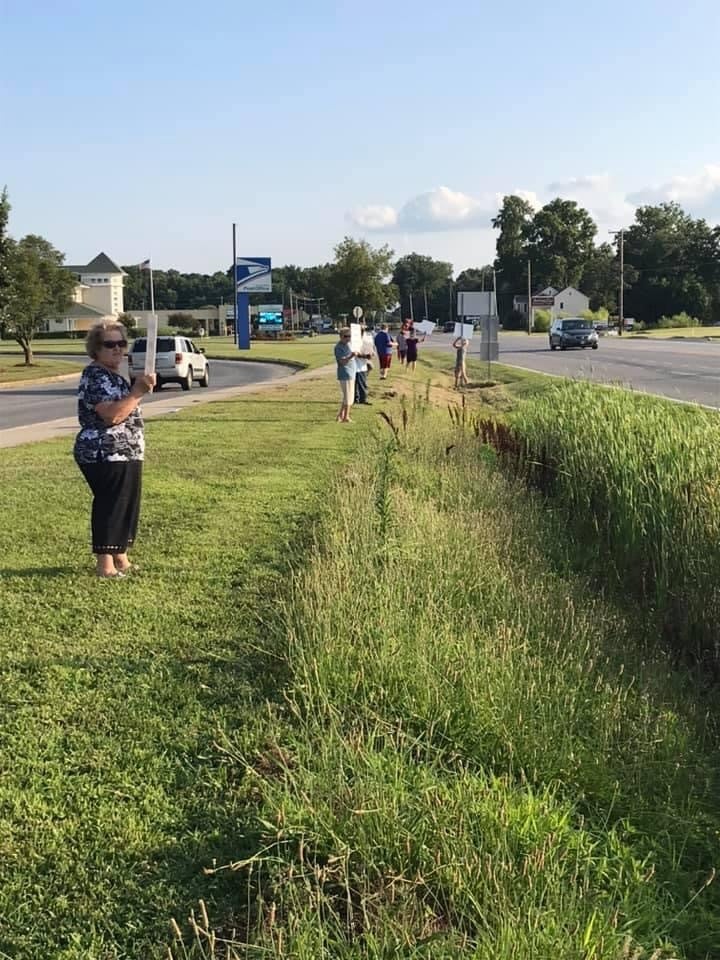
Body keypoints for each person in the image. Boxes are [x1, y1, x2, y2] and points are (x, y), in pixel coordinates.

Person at [73, 321, 156, 578]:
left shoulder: (113, 376)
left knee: (125, 503)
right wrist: (137, 392)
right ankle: (105, 565)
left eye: (122, 343)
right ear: (96, 349)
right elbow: (111, 415)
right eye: (110, 344)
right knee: (111, 504)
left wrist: (136, 391)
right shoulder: (95, 376)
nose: (118, 349)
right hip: (104, 451)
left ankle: (121, 558)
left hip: (125, 451)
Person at [334, 327, 357, 422]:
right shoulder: (338, 347)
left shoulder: (349, 345)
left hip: (351, 371)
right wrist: (351, 356)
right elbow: (341, 361)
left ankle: (341, 415)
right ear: (341, 336)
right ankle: (345, 417)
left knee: (349, 395)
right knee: (348, 397)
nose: (348, 338)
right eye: (346, 336)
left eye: (350, 336)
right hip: (345, 372)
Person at [354, 326, 376, 405]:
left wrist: (371, 353)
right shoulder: (354, 341)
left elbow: (371, 349)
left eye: (363, 331)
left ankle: (360, 399)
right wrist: (366, 356)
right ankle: (358, 399)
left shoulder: (366, 339)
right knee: (358, 383)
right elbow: (356, 353)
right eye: (361, 331)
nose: (363, 332)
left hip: (362, 365)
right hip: (356, 365)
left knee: (361, 383)